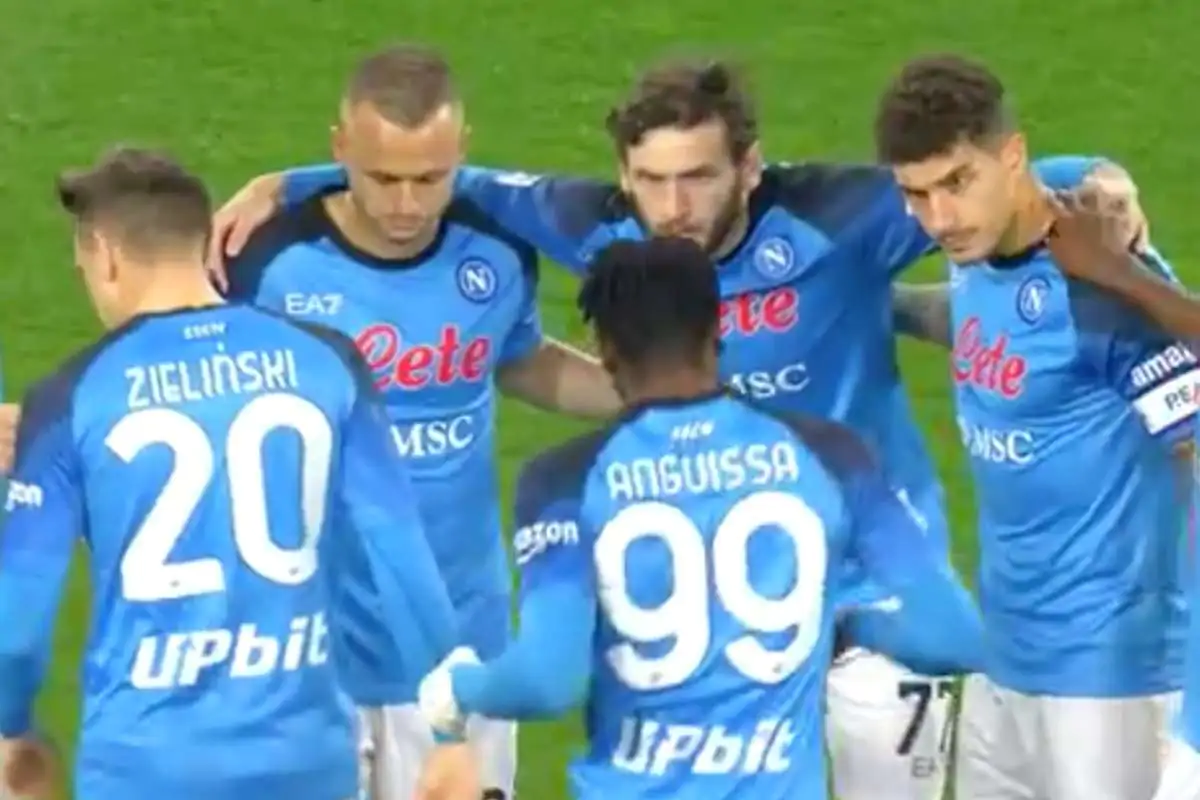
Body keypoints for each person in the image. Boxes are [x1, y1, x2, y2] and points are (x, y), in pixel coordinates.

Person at [208, 55, 1007, 800]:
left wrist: (1069, 194)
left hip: (868, 590)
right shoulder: (596, 228)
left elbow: (1000, 190)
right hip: (735, 600)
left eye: (698, 176)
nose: (674, 206)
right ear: (624, 176)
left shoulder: (844, 215)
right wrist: (291, 185)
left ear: (749, 167)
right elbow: (445, 178)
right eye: (653, 180)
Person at [414, 236, 986, 800]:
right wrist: (840, 621)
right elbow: (951, 637)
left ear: (604, 348)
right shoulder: (831, 454)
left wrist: (457, 689)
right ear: (718, 329)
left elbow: (546, 680)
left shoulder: (564, 480)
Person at [0, 147, 476, 800]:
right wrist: (450, 735)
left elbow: (19, 620)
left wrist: (12, 728)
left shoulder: (71, 398)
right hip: (305, 762)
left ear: (105, 255)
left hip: (143, 769)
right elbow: (401, 557)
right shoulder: (327, 362)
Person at [221, 44, 619, 800]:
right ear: (340, 149)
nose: (406, 204)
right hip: (308, 648)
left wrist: (653, 392)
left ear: (462, 153)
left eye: (430, 179)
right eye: (383, 178)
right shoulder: (264, 259)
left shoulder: (496, 244)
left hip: (462, 647)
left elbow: (517, 359)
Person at [873, 53, 1198, 800]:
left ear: (1011, 156)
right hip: (1003, 655)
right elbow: (992, 332)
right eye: (916, 195)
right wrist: (875, 306)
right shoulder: (985, 244)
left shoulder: (1106, 296)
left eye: (956, 183)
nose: (939, 219)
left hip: (1109, 678)